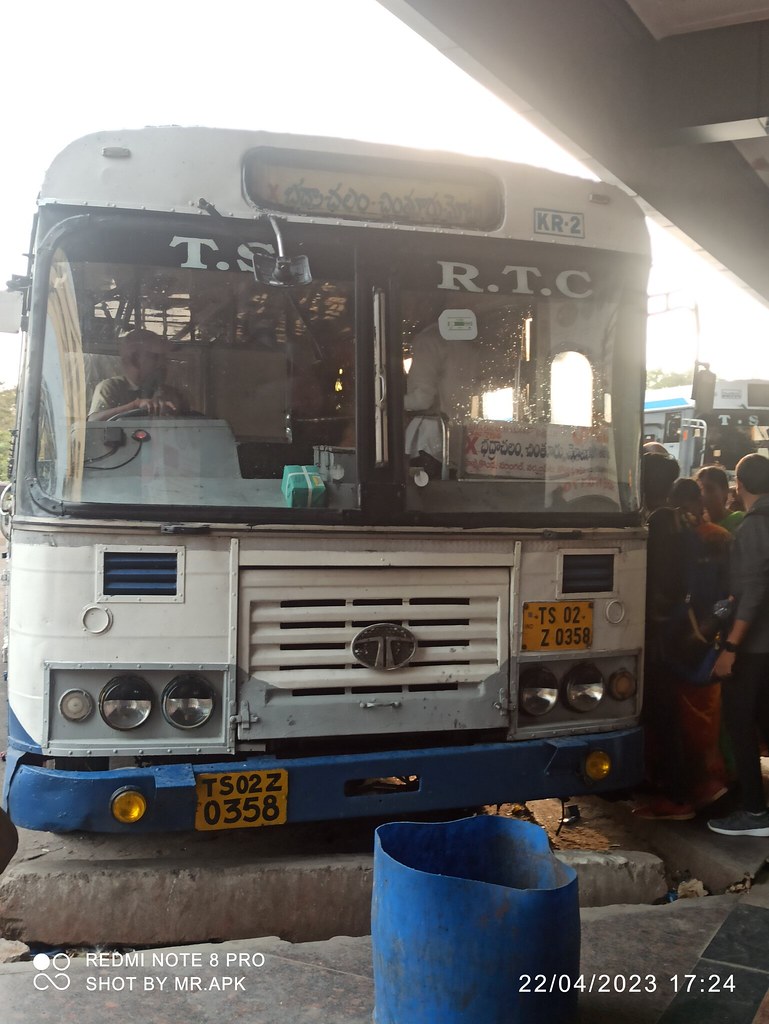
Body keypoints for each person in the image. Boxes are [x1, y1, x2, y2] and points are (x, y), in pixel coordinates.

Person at [635, 475, 731, 820]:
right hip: (705, 640)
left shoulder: (661, 525)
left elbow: (662, 589)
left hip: (673, 639)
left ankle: (678, 796)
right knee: (698, 716)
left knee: (669, 714)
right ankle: (706, 785)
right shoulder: (711, 536)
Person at [708, 454, 769, 837]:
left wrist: (731, 646)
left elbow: (755, 592)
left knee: (740, 723)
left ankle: (754, 813)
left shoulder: (753, 528)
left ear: (738, 484)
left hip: (753, 647)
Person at [88, 328, 184, 421]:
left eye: (164, 357)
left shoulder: (172, 394)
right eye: (155, 357)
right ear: (134, 359)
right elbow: (93, 421)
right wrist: (135, 405)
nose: (162, 363)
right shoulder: (111, 388)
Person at [695, 464, 745, 534]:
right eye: (699, 491)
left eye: (709, 489)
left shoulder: (740, 522)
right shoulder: (696, 527)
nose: (703, 496)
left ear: (725, 490)